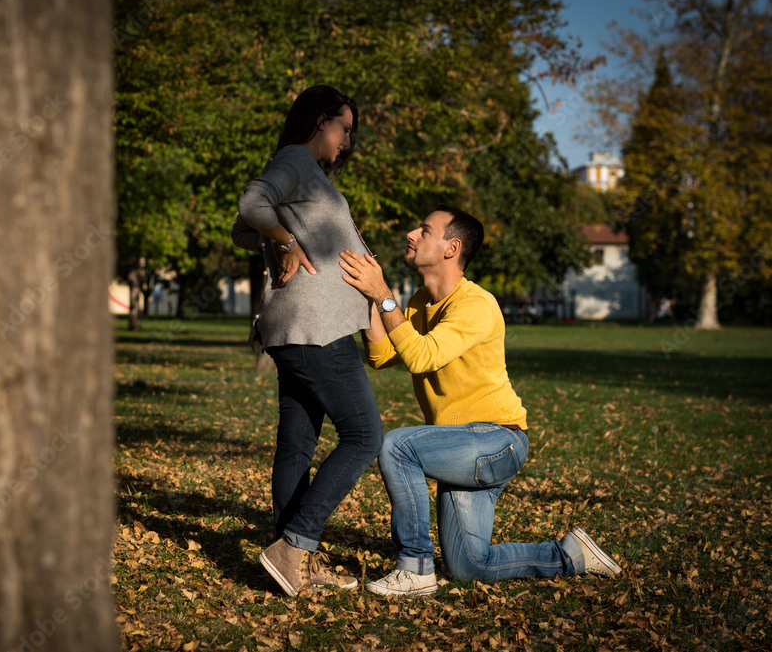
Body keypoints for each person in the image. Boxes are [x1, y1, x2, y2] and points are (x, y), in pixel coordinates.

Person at [338, 206, 622, 596]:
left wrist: (384, 295)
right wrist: (368, 297)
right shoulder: (421, 301)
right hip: (462, 444)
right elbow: (383, 354)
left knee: (397, 446)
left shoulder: (475, 304)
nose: (411, 235)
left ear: (451, 248)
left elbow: (422, 355)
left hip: (497, 440)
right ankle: (570, 555)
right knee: (469, 566)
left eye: (423, 230)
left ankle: (415, 567)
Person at [231, 85, 384, 597]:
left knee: (297, 443)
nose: (347, 140)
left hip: (295, 328)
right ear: (321, 120)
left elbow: (241, 230)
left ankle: (290, 561)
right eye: (344, 128)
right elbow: (251, 206)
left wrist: (273, 245)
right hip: (315, 330)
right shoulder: (296, 158)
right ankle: (296, 544)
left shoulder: (302, 169)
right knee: (365, 436)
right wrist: (287, 243)